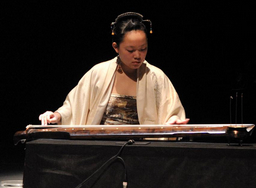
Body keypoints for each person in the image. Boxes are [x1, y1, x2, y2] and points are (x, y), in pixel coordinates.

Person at [39, 12, 189, 126]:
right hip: (102, 148)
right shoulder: (99, 73)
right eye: (130, 50)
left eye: (143, 49)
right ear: (116, 47)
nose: (138, 55)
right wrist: (57, 115)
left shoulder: (156, 76)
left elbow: (171, 111)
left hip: (143, 150)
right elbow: (74, 106)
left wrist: (173, 120)